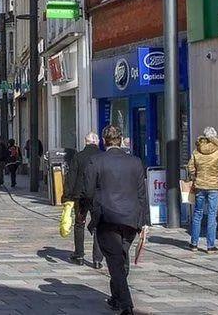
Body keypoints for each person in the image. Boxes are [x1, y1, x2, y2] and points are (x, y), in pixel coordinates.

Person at [84, 125, 148, 315]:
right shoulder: (135, 162)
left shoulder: (96, 161)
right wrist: (144, 221)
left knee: (115, 261)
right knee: (120, 257)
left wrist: (94, 208)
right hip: (130, 219)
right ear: (121, 140)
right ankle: (116, 296)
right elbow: (142, 194)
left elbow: (87, 192)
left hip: (108, 218)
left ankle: (126, 304)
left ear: (104, 141)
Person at [63, 133, 103, 268]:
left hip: (81, 196)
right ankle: (97, 259)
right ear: (97, 142)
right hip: (98, 196)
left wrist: (67, 196)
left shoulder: (78, 156)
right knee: (98, 226)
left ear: (85, 142)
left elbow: (71, 177)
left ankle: (79, 255)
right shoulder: (102, 156)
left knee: (79, 224)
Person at [186, 127, 218, 253]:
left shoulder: (196, 151)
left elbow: (190, 167)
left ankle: (194, 243)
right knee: (212, 215)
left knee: (198, 214)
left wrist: (195, 176)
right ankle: (210, 245)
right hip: (214, 187)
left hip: (199, 186)